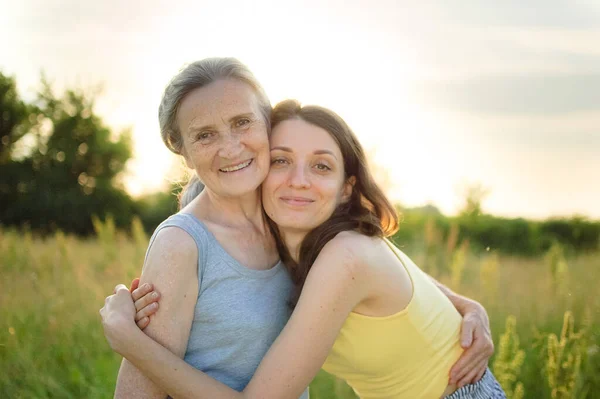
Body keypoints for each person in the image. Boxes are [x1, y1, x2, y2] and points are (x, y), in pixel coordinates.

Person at [101, 73, 502, 397]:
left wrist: (128, 339)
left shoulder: (321, 240)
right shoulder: (191, 241)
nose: (231, 147)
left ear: (348, 186)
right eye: (205, 135)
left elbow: (380, 274)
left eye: (242, 123)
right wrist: (464, 305)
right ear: (183, 152)